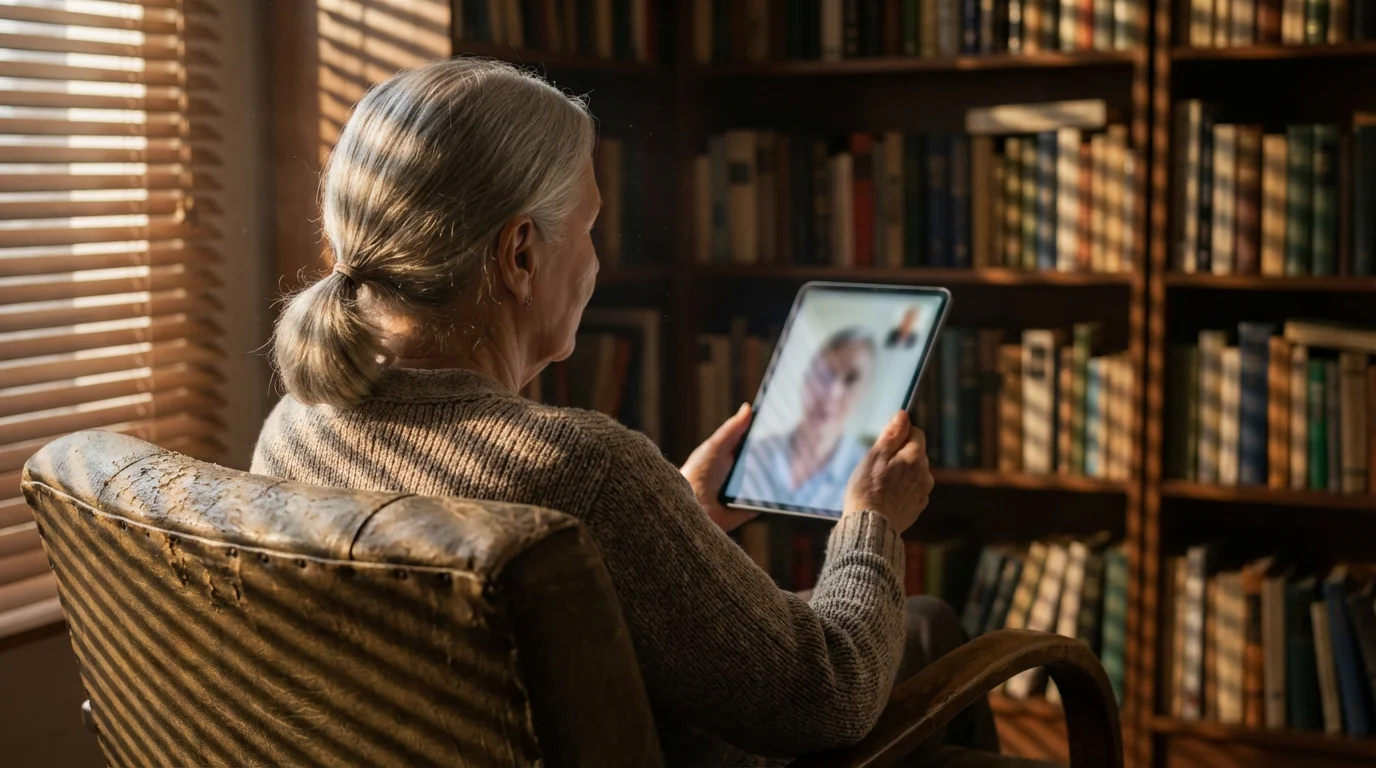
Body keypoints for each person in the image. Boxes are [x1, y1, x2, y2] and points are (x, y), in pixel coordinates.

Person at [251, 58, 996, 766]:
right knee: (927, 627)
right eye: (588, 228)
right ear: (519, 254)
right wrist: (871, 522)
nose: (598, 261)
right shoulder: (584, 469)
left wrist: (679, 512)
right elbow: (827, 697)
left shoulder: (296, 428)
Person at [733, 328, 877, 513]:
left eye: (851, 379)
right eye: (828, 374)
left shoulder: (869, 474)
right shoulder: (754, 454)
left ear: (865, 392)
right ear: (807, 377)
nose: (834, 393)